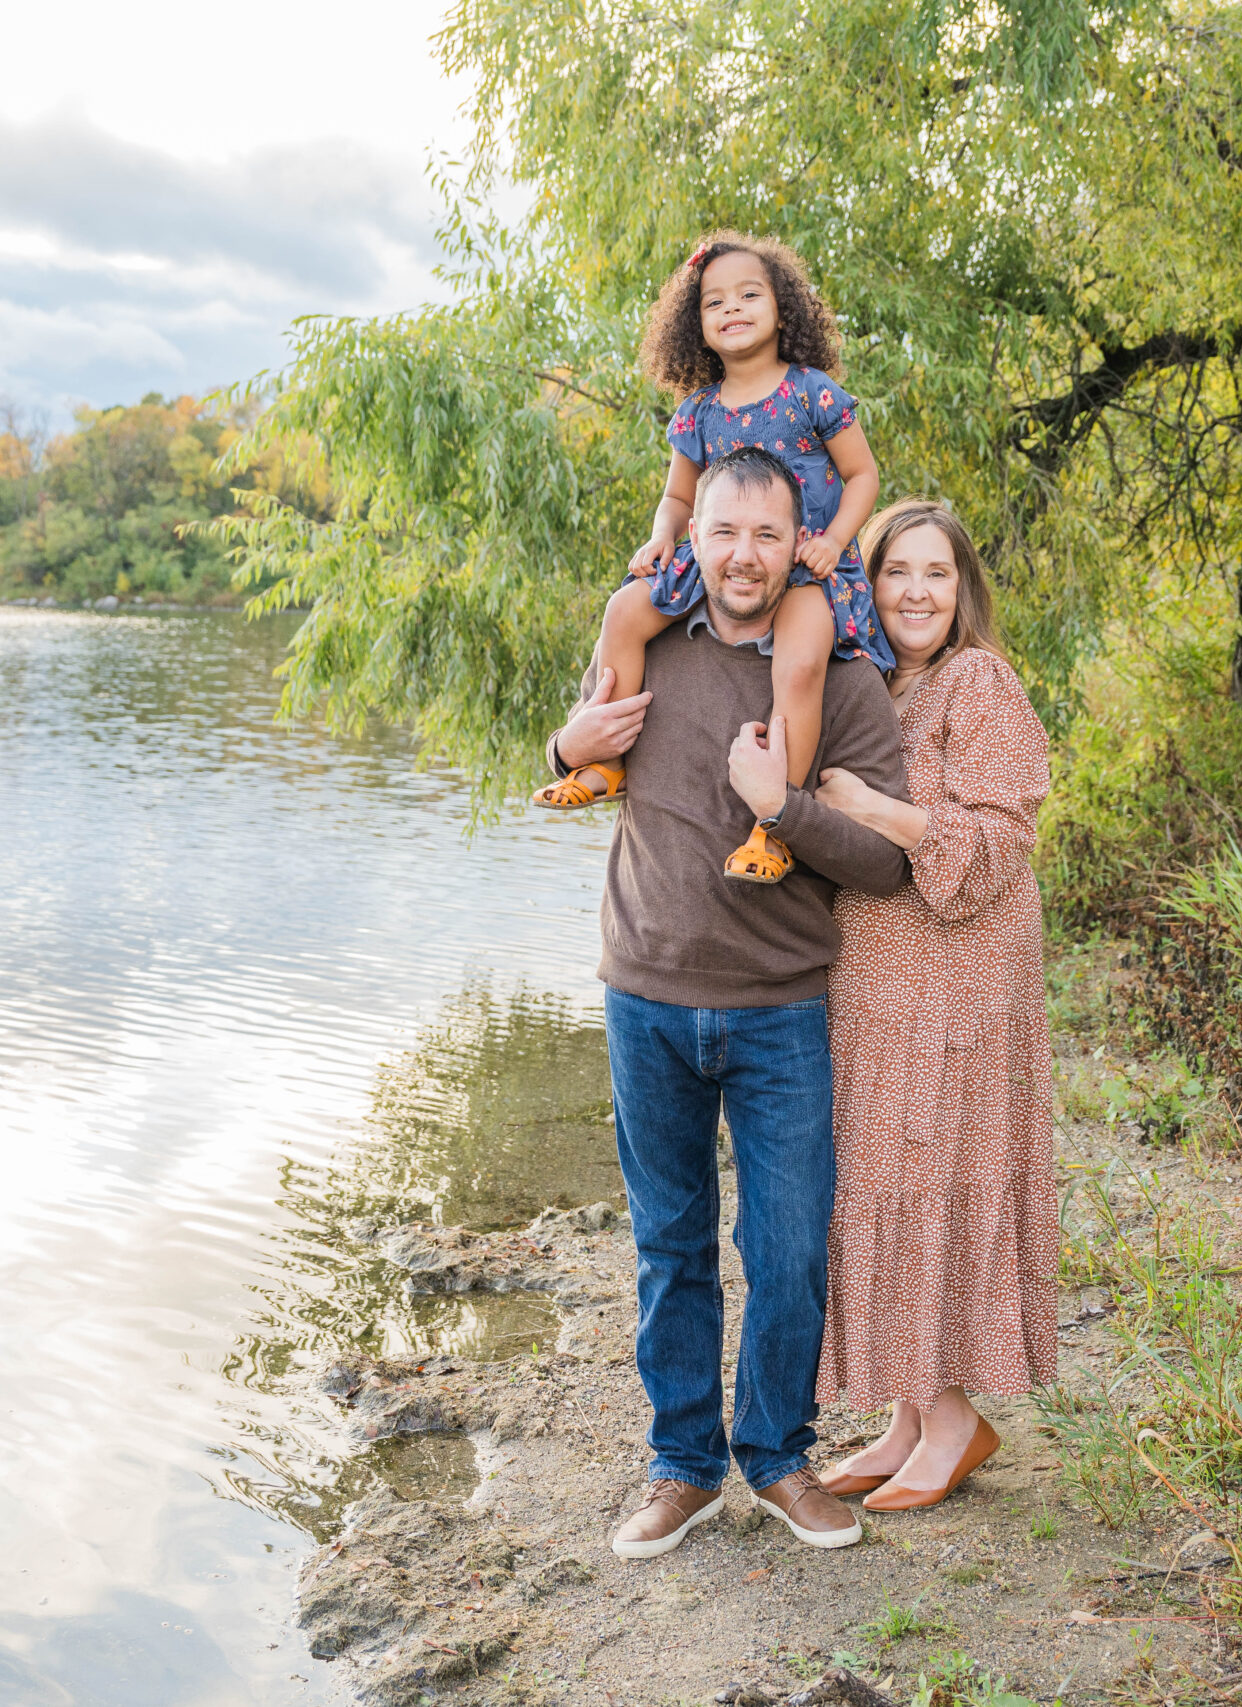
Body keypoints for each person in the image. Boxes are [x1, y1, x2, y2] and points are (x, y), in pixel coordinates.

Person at [544, 445, 912, 1561]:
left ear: (797, 542)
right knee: (670, 1243)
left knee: (791, 1246)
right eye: (722, 532)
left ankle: (778, 1457)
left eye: (765, 534)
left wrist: (784, 806)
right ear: (689, 538)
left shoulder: (841, 678)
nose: (741, 556)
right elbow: (571, 756)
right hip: (644, 997)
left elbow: (888, 866)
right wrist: (565, 741)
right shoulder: (649, 642)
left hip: (779, 1008)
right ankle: (682, 1465)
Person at [801, 499, 1061, 1511]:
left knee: (932, 1167)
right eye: (895, 572)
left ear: (963, 591)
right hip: (874, 972)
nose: (915, 592)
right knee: (882, 1173)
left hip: (957, 970)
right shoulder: (870, 682)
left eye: (936, 574)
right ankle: (909, 1414)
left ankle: (954, 1418)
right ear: (864, 587)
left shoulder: (976, 680)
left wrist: (871, 810)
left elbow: (1000, 836)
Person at [533, 232, 891, 887]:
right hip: (717, 561)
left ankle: (774, 821)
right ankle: (607, 758)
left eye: (749, 295)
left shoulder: (813, 393)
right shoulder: (698, 412)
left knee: (804, 660)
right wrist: (661, 536)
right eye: (713, 301)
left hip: (806, 564)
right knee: (626, 608)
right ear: (695, 326)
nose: (731, 308)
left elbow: (863, 475)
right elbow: (677, 495)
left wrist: (834, 539)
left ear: (783, 309)